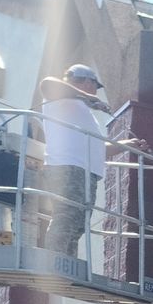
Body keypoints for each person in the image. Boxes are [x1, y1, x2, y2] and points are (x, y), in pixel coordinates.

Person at [36, 65, 111, 258]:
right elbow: (47, 84)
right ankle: (54, 259)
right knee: (67, 215)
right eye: (95, 86)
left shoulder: (82, 111)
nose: (95, 92)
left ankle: (67, 262)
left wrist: (130, 145)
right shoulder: (60, 97)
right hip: (67, 167)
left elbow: (98, 149)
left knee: (78, 223)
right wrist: (87, 97)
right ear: (88, 82)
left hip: (86, 172)